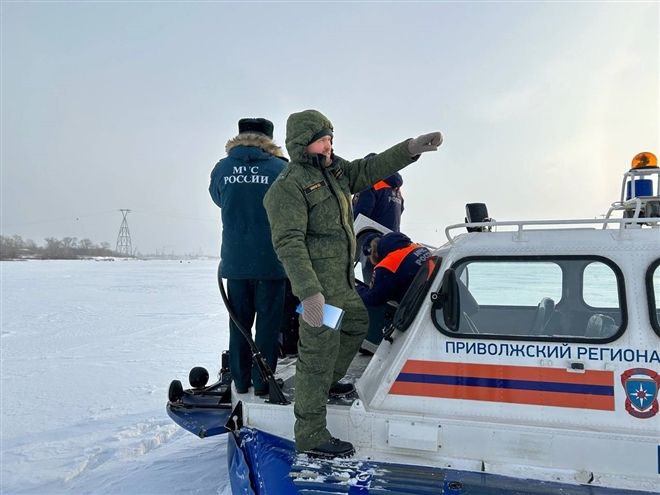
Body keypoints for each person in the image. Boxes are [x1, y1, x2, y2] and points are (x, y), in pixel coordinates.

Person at [263, 109, 442, 458]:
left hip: (341, 281)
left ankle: (328, 384)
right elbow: (289, 243)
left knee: (358, 323)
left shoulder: (334, 172)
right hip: (317, 287)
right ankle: (311, 434)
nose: (330, 144)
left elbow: (368, 169)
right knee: (317, 353)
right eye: (324, 139)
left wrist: (408, 149)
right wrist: (308, 293)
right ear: (304, 143)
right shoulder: (288, 187)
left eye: (331, 137)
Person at [209, 118, 288, 396]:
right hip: (272, 262)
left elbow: (218, 198)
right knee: (267, 325)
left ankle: (240, 381)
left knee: (239, 323)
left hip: (236, 262)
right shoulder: (281, 169)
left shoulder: (222, 168)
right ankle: (263, 381)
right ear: (269, 139)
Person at [357, 232, 432, 308]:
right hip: (436, 286)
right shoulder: (416, 247)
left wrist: (355, 290)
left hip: (424, 304)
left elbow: (373, 298)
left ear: (371, 252)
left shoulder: (385, 267)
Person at [352, 160, 404, 232]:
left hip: (371, 238)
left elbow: (359, 215)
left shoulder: (369, 185)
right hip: (392, 238)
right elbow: (400, 210)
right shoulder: (396, 190)